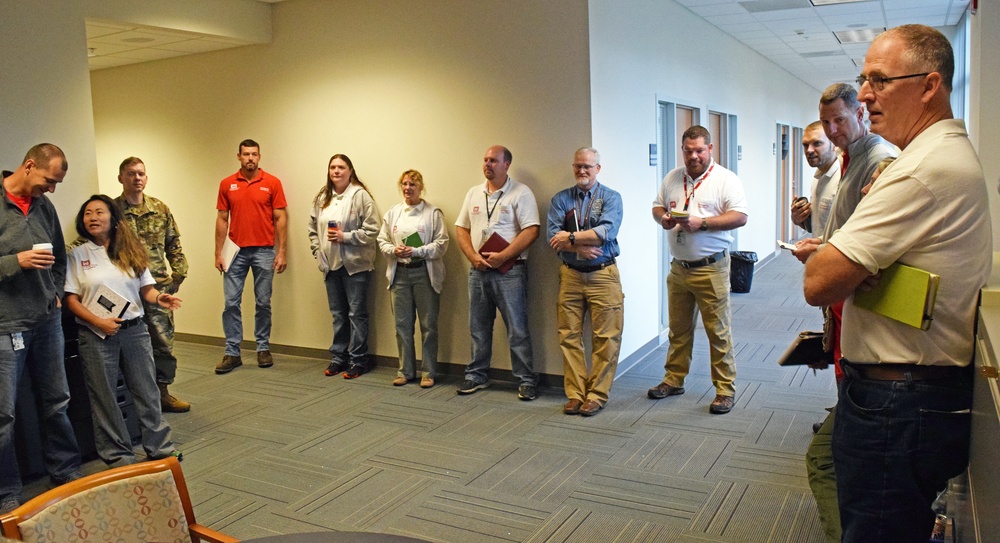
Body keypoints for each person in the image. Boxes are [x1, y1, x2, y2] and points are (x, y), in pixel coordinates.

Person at [804, 24, 992, 542]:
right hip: (912, 392)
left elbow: (818, 281)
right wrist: (863, 267)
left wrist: (852, 268)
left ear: (930, 85)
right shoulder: (934, 157)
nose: (865, 94)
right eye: (865, 79)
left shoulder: (918, 171)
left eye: (880, 81)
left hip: (897, 401)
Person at [792, 84, 896, 543]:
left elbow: (874, 253)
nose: (832, 131)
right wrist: (822, 243)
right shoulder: (850, 161)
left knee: (836, 458)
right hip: (846, 308)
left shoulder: (879, 160)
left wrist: (824, 257)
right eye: (825, 123)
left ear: (860, 115)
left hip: (869, 317)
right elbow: (848, 235)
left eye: (839, 120)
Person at [64, 195, 184, 468]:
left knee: (146, 391)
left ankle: (161, 448)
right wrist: (98, 322)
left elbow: (146, 290)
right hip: (96, 335)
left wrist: (160, 298)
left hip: (134, 331)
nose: (93, 217)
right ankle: (118, 456)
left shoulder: (131, 250)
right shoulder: (76, 254)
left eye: (99, 212)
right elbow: (71, 300)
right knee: (104, 397)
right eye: (88, 213)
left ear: (113, 217)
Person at [0, 144, 83, 514]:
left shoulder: (44, 206)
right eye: (49, 180)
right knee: (4, 415)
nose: (51, 189)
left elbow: (60, 258)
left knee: (57, 401)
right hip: (6, 326)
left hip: (46, 321)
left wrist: (56, 293)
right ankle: (6, 491)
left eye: (56, 184)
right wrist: (15, 261)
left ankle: (64, 469)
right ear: (29, 165)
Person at [648, 125, 748, 415]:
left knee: (718, 332)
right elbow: (657, 207)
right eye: (688, 151)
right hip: (679, 268)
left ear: (710, 149)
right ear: (682, 150)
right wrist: (663, 219)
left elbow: (740, 216)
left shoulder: (725, 179)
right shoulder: (672, 178)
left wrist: (702, 223)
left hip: (711, 268)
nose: (693, 156)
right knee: (678, 330)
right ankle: (674, 379)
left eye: (699, 150)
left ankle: (725, 390)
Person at [455, 145, 540, 400]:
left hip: (510, 271)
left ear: (506, 165)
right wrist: (472, 256)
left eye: (493, 160)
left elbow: (531, 230)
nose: (487, 164)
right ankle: (476, 375)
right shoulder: (474, 193)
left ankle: (526, 380)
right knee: (478, 327)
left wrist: (504, 255)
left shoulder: (521, 193)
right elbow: (461, 228)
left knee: (517, 328)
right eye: (485, 160)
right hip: (478, 270)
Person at [546, 147, 624, 417]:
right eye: (577, 166)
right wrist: (578, 246)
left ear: (597, 169)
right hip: (571, 274)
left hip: (603, 275)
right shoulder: (561, 199)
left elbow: (606, 232)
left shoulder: (611, 198)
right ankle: (576, 394)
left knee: (606, 338)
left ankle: (597, 395)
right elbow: (551, 236)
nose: (582, 171)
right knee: (568, 336)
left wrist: (570, 239)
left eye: (587, 167)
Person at [113, 157, 190, 413]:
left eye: (141, 173)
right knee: (128, 344)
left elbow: (174, 245)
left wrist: (178, 275)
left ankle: (163, 392)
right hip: (125, 289)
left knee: (162, 342)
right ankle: (134, 397)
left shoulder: (160, 208)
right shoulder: (112, 210)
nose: (137, 178)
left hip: (157, 287)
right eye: (131, 173)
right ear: (120, 178)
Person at [214, 139, 288, 374]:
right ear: (239, 156)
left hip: (264, 251)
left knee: (263, 302)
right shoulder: (227, 184)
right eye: (246, 154)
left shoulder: (272, 183)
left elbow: (280, 218)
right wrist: (218, 253)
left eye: (254, 154)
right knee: (231, 303)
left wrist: (282, 251)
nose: (250, 158)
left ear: (259, 156)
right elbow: (222, 219)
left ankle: (263, 348)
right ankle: (232, 352)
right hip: (234, 252)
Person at [308, 154, 379, 379]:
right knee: (338, 315)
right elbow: (312, 229)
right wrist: (317, 252)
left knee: (356, 315)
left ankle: (358, 360)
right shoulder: (323, 197)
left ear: (350, 171)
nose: (336, 171)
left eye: (341, 167)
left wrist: (345, 237)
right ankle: (339, 357)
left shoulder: (360, 196)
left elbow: (373, 230)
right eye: (332, 167)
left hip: (355, 267)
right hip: (330, 267)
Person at [377, 170, 449, 388]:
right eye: (405, 184)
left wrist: (417, 251)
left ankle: (428, 372)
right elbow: (382, 240)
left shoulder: (433, 213)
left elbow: (442, 244)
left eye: (413, 184)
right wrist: (394, 250)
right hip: (399, 273)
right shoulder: (393, 213)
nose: (408, 188)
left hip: (424, 273)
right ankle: (405, 371)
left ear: (421, 188)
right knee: (402, 325)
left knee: (428, 326)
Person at [790, 121, 840, 236]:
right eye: (805, 145)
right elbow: (820, 226)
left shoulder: (843, 178)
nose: (809, 150)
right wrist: (800, 220)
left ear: (834, 144)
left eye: (817, 143)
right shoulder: (818, 177)